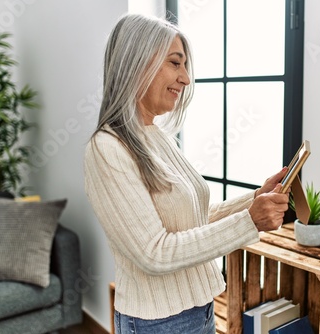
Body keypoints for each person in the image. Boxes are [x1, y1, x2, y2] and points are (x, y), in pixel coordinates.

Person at [84, 13, 290, 334]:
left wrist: (254, 199)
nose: (185, 78)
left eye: (184, 66)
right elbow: (154, 253)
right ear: (137, 61)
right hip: (158, 323)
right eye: (175, 63)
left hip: (199, 310)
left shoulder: (157, 135)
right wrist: (250, 221)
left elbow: (193, 218)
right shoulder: (107, 149)